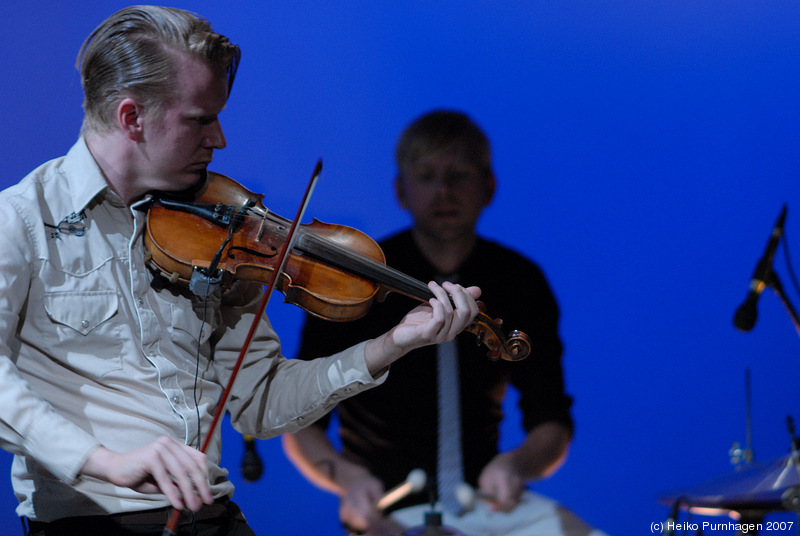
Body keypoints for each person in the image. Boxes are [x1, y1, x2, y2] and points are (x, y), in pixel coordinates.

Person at [0, 8, 481, 536]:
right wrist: (106, 461)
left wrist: (392, 344)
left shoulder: (222, 232)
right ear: (131, 117)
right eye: (200, 119)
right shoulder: (22, 221)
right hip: (88, 525)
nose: (220, 139)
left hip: (211, 518)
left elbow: (263, 401)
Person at [282, 110, 608, 536]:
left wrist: (516, 466)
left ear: (489, 187)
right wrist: (348, 479)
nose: (443, 192)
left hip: (488, 501)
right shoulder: (354, 280)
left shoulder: (521, 280)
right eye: (426, 176)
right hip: (388, 505)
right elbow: (302, 421)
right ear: (401, 191)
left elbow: (552, 422)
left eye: (460, 175)